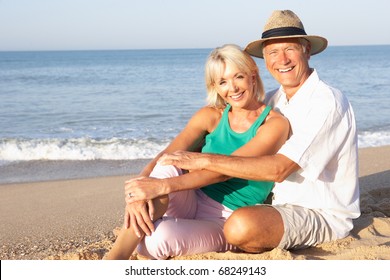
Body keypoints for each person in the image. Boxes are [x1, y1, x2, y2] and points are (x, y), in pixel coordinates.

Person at [133, 10, 361, 253]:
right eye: (273, 52)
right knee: (169, 171)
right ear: (264, 58)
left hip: (317, 212)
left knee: (240, 226)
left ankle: (220, 235)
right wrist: (145, 182)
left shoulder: (326, 102)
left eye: (289, 49)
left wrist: (201, 159)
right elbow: (218, 143)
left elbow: (279, 169)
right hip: (270, 205)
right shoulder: (275, 100)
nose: (282, 59)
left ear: (306, 49)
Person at [105, 44, 289, 259]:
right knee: (168, 163)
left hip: (226, 219)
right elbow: (164, 156)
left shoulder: (274, 124)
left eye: (238, 77)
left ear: (253, 76)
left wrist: (163, 186)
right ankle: (113, 260)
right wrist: (137, 193)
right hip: (191, 199)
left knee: (155, 241)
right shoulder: (210, 116)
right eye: (223, 82)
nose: (233, 88)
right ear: (215, 87)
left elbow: (226, 170)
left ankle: (149, 232)